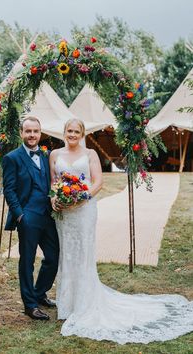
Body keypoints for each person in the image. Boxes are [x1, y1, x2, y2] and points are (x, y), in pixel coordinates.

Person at [49, 118, 193, 344]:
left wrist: (81, 198)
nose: (73, 134)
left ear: (83, 133)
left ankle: (85, 303)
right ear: (64, 132)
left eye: (77, 131)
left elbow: (98, 183)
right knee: (66, 254)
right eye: (69, 130)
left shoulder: (90, 155)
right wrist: (55, 200)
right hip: (64, 214)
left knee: (84, 254)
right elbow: (53, 182)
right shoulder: (55, 155)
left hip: (84, 210)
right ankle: (67, 305)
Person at [3, 116, 59, 321]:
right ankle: (30, 305)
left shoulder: (47, 154)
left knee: (53, 257)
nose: (32, 135)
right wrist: (20, 215)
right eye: (28, 131)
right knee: (27, 261)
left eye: (35, 131)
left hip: (48, 216)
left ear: (40, 133)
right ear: (21, 133)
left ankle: (39, 292)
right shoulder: (12, 158)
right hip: (28, 217)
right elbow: (9, 189)